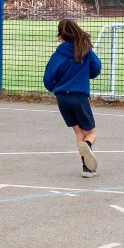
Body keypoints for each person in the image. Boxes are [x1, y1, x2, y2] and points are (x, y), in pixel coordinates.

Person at [43, 18, 103, 178]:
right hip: (79, 97)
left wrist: (54, 88)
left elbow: (48, 78)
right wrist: (86, 74)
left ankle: (87, 168)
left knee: (78, 133)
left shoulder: (58, 54)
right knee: (91, 133)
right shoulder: (85, 50)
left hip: (62, 98)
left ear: (61, 35)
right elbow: (96, 68)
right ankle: (87, 151)